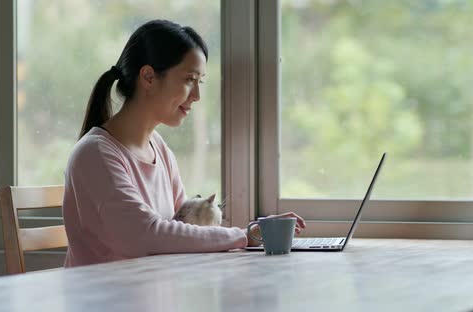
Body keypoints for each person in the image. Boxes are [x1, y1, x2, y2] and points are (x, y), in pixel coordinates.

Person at [62, 19, 306, 267]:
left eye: (200, 82)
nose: (197, 96)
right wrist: (245, 235)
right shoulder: (95, 154)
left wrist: (259, 230)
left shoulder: (159, 149)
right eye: (189, 79)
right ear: (148, 77)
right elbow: (144, 235)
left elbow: (182, 231)